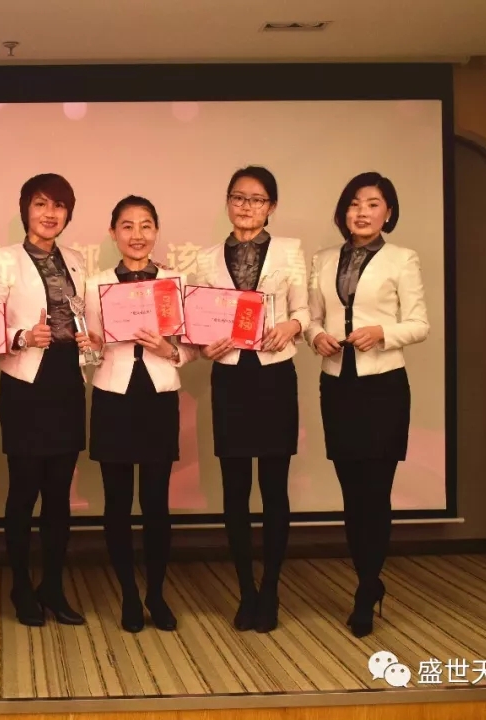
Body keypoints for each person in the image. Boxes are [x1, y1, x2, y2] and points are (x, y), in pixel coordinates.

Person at [305, 172, 428, 638]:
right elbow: (313, 316)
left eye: (373, 204)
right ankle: (369, 580)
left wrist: (382, 333)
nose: (362, 212)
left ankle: (365, 588)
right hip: (338, 386)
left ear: (388, 212)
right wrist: (316, 336)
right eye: (354, 204)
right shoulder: (323, 259)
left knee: (375, 492)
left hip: (383, 387)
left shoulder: (402, 258)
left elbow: (419, 324)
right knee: (352, 494)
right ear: (344, 211)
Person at [191, 166, 309, 633]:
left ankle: (272, 588)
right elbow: (196, 321)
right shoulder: (205, 259)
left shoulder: (290, 251)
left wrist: (292, 326)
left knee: (275, 488)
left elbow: (304, 310)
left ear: (271, 206)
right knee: (235, 489)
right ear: (227, 202)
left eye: (257, 199)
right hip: (230, 377)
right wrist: (205, 347)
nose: (246, 206)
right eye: (238, 197)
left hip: (274, 374)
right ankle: (246, 591)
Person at [0, 173, 93, 627]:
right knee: (24, 490)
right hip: (26, 383)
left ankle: (53, 586)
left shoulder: (76, 260)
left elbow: (89, 315)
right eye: (41, 203)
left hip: (67, 381)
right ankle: (21, 586)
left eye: (59, 206)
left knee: (59, 495)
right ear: (25, 208)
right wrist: (22, 336)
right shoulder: (2, 260)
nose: (50, 213)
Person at [83, 196, 195, 633]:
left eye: (146, 225)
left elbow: (191, 347)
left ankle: (156, 594)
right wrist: (92, 346)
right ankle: (129, 594)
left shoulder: (174, 282)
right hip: (113, 394)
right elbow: (90, 350)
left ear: (157, 231)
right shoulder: (94, 285)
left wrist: (168, 349)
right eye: (127, 226)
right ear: (113, 233)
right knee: (116, 503)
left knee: (155, 503)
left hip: (158, 395)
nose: (137, 235)